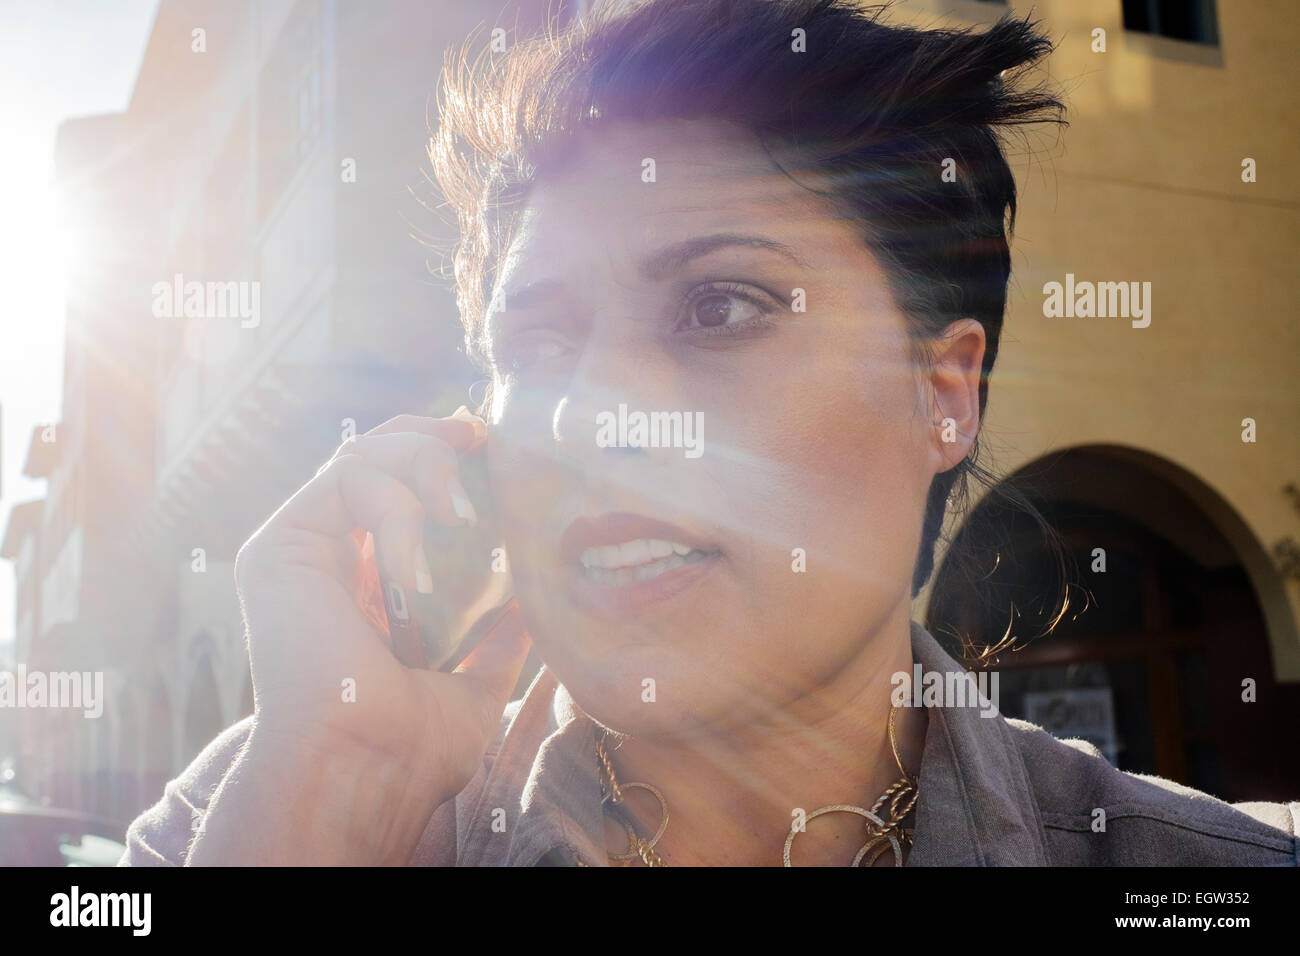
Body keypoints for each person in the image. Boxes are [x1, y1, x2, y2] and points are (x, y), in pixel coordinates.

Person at [120, 0, 1297, 867]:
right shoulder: (260, 813)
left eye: (721, 306)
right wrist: (335, 797)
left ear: (946, 392)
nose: (590, 416)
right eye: (536, 342)